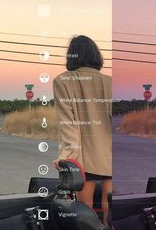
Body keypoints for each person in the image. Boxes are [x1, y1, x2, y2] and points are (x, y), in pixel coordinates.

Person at [53, 35, 112, 224]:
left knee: (84, 206)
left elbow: (67, 123)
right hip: (109, 154)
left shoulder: (62, 81)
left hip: (83, 157)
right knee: (110, 202)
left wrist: (67, 155)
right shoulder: (109, 81)